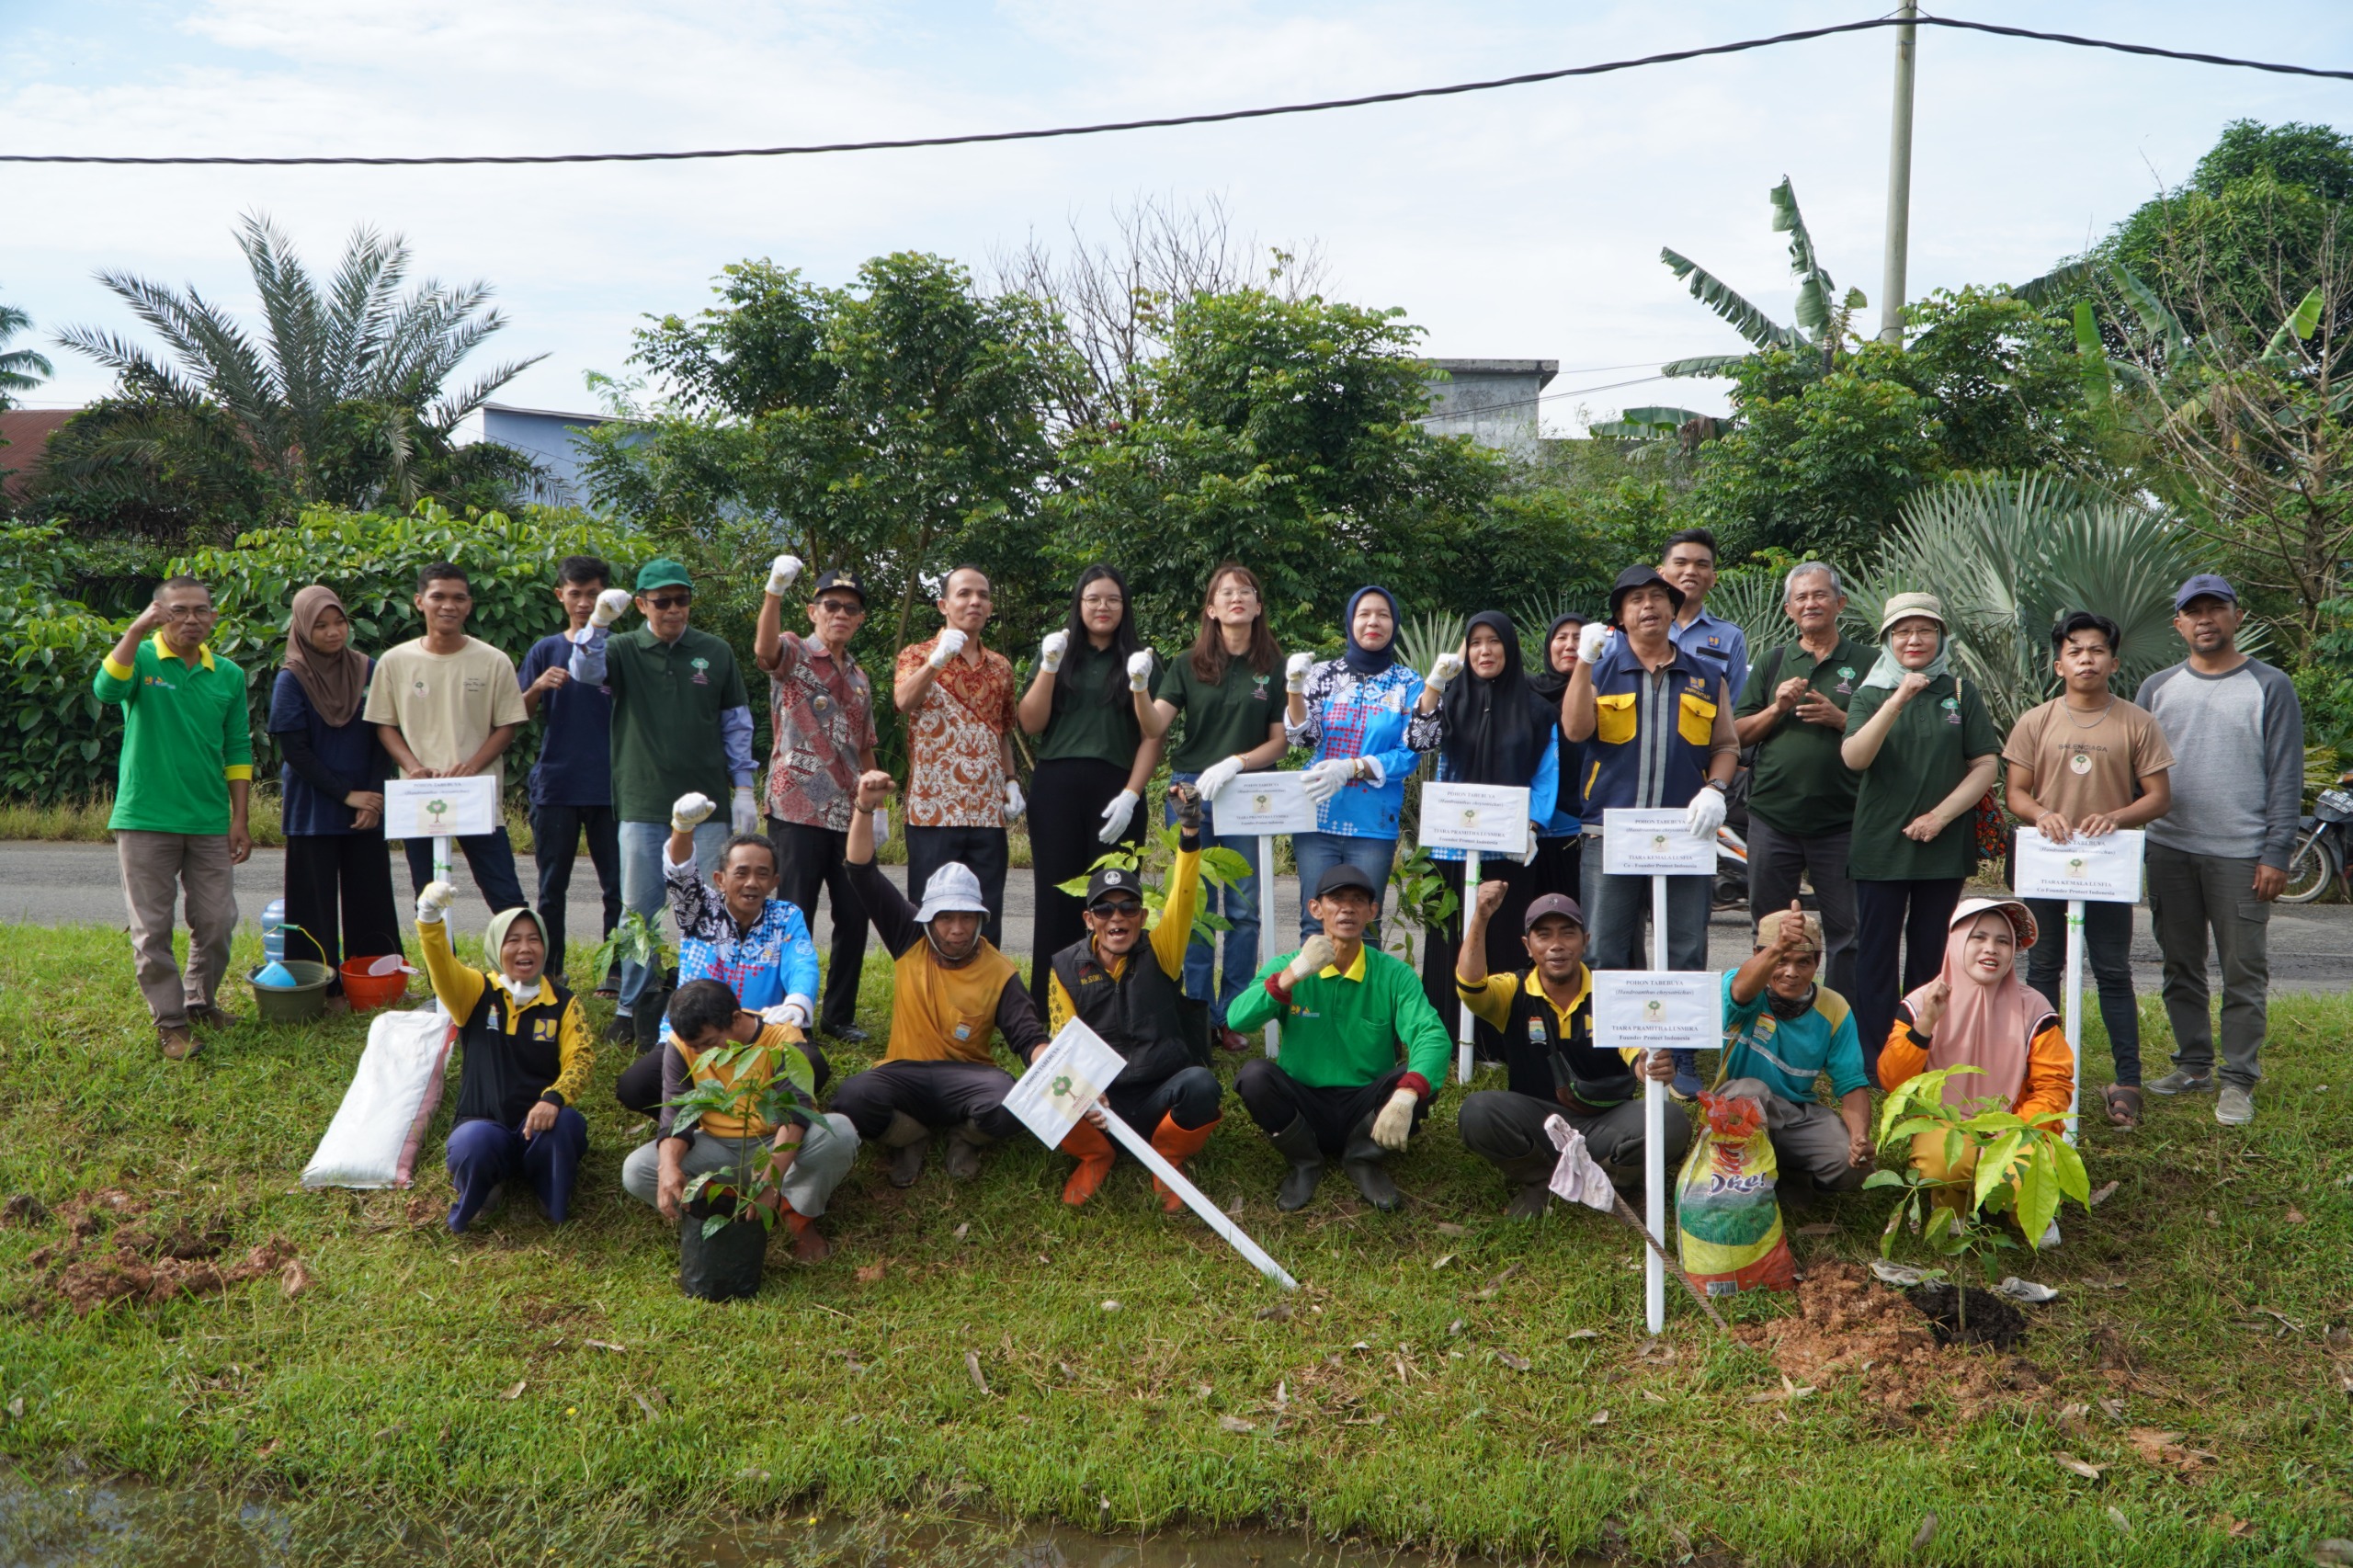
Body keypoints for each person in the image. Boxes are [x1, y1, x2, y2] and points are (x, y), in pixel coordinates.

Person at [1561, 565, 1738, 1101]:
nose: (1649, 607)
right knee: (1606, 947)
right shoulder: (1601, 669)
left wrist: (1716, 788)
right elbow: (1575, 729)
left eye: (1658, 597)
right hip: (1610, 831)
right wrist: (1585, 664)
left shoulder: (1707, 674)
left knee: (1684, 945)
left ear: (1673, 608)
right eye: (1636, 600)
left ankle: (1679, 1054)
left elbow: (1726, 744)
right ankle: (1615, 1058)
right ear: (1620, 615)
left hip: (1685, 834)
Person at [2137, 574, 2304, 1127]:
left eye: (2217, 609)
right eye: (2195, 611)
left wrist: (2276, 851)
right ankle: (2192, 1064)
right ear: (2179, 624)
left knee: (2243, 969)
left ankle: (2238, 1081)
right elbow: (2133, 771)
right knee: (2179, 963)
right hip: (2169, 848)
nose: (2205, 619)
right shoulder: (2157, 689)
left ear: (2237, 616)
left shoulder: (2269, 684)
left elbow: (2285, 774)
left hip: (2242, 854)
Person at [566, 558, 757, 1040]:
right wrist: (598, 624)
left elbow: (735, 722)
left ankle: (714, 1000)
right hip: (643, 800)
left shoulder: (714, 651)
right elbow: (584, 673)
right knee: (639, 911)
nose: (674, 610)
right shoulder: (624, 648)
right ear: (641, 604)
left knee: (713, 906)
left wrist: (744, 788)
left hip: (707, 803)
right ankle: (633, 1007)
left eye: (683, 599)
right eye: (663, 601)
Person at [829, 770, 1046, 1186]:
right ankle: (909, 1134)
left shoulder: (1000, 970)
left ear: (981, 920)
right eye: (946, 918)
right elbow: (861, 870)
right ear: (928, 920)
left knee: (1014, 1102)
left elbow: (1027, 1038)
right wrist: (864, 805)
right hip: (903, 1071)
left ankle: (967, 1136)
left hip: (968, 1079)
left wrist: (1054, 1069)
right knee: (851, 1098)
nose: (957, 929)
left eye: (967, 918)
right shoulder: (909, 935)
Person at [2003, 609, 2176, 1130]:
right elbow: (2016, 793)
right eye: (2075, 650)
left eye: (2096, 650)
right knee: (2041, 968)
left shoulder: (2137, 722)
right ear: (2059, 664)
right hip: (2047, 864)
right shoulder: (2037, 721)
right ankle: (2039, 1073)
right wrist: (2042, 814)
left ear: (2113, 661)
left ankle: (2127, 1082)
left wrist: (2116, 818)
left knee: (2113, 972)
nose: (2086, 658)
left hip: (2107, 864)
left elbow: (2160, 797)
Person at [1227, 862, 1453, 1212]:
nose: (1347, 907)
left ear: (1372, 912)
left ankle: (1363, 1158)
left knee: (1421, 1075)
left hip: (1366, 1103)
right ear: (1315, 908)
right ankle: (1305, 1161)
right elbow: (1237, 1018)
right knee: (1255, 1076)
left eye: (1358, 900)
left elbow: (1431, 1035)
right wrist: (1293, 975)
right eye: (1336, 899)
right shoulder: (1288, 965)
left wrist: (1408, 1093)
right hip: (1303, 1102)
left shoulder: (1394, 974)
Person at [1452, 883, 1688, 1217]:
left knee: (1671, 1120)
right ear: (1527, 946)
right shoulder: (1512, 990)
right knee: (1477, 1111)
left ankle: (1607, 1181)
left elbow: (1635, 1050)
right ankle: (1542, 1180)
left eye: (1568, 933)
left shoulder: (1611, 992)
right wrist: (1481, 916)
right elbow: (1470, 987)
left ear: (1586, 941)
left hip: (1604, 1122)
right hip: (1537, 1122)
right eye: (1544, 935)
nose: (1557, 946)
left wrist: (1647, 1066)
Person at [93, 574, 255, 1059]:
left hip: (208, 819)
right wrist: (137, 630)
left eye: (200, 610)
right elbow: (105, 689)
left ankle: (200, 1001)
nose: (190, 619)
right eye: (178, 610)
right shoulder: (140, 658)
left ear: (214, 616)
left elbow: (238, 747)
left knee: (217, 919)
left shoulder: (227, 674)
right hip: (144, 817)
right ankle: (170, 1022)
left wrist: (240, 817)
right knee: (152, 928)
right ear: (159, 612)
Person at [1838, 593, 2001, 1074]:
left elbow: (1985, 764)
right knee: (1876, 954)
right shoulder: (1869, 693)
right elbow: (1855, 758)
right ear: (1888, 640)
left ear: (1940, 638)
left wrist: (1940, 817)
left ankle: (1922, 1049)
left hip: (1942, 844)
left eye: (1925, 630)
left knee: (1933, 953)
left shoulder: (1959, 691)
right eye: (1902, 631)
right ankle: (1874, 1057)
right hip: (1880, 845)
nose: (1914, 639)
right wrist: (1899, 697)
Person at [1041, 784, 1223, 1209]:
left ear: (1143, 917)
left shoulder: (1163, 949)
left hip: (1163, 1096)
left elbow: (1183, 895)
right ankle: (1095, 1155)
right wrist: (1084, 1091)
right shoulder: (1064, 967)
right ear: (1089, 919)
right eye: (1104, 910)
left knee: (1201, 1085)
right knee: (1045, 1085)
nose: (1117, 917)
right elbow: (1061, 1043)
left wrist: (1191, 831)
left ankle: (1168, 1156)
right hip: (1102, 1105)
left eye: (1128, 908)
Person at [1135, 562, 1290, 1051]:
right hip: (1191, 794)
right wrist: (1139, 687)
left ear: (1258, 605)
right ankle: (1197, 1013)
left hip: (1247, 793)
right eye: (1226, 592)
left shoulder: (1276, 666)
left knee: (1244, 910)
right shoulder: (1187, 664)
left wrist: (1238, 762)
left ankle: (1233, 1017)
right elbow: (1154, 728)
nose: (1237, 597)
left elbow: (1280, 743)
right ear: (1212, 608)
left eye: (1246, 590)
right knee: (1195, 908)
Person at [613, 793, 826, 1119]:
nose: (751, 883)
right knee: (634, 1086)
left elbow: (803, 964)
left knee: (813, 1068)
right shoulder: (699, 910)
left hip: (759, 1035)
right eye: (741, 873)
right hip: (694, 1037)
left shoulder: (787, 916)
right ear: (720, 879)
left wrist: (797, 1002)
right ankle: (709, 1119)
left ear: (774, 882)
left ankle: (747, 1114)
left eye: (762, 874)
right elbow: (681, 873)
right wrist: (682, 827)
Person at [619, 977, 858, 1263]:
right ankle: (722, 1212)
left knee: (839, 1132)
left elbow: (792, 1118)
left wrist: (769, 1182)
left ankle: (796, 1216)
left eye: (709, 1043)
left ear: (735, 1019)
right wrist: (668, 1166)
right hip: (716, 1146)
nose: (701, 1055)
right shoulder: (681, 1045)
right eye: (693, 1047)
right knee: (638, 1170)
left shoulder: (783, 1038)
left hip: (775, 1144)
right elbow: (676, 1116)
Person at [1878, 899, 2073, 1237]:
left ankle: (2026, 1214)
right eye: (1978, 937)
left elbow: (2054, 1086)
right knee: (1943, 1160)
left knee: (2028, 1168)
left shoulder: (2034, 1008)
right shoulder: (1923, 1001)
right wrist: (1925, 1025)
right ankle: (1951, 1201)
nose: (1991, 949)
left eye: (2003, 941)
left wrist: (2013, 1131)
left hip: (2016, 1124)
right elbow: (1893, 1081)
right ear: (1956, 940)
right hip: (1947, 1124)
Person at [1411, 611, 1559, 1059]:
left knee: (1503, 935)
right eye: (1475, 642)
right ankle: (1444, 1038)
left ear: (1509, 648)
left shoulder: (1536, 708)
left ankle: (1499, 1043)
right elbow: (1420, 739)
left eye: (1494, 641)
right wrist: (1435, 686)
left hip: (1509, 846)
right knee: (1449, 936)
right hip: (1451, 843)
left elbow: (1546, 772)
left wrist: (1533, 824)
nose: (1485, 651)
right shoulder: (1451, 701)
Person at [413, 883, 592, 1234]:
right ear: (497, 946)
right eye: (513, 940)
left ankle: (548, 1190)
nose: (525, 948)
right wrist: (429, 919)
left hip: (540, 1127)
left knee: (568, 1125)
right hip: (483, 1123)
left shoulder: (564, 1002)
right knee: (472, 1144)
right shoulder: (475, 992)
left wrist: (553, 1100)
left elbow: (581, 1059)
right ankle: (484, 1187)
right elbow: (441, 966)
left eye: (533, 939)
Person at [1019, 564, 1162, 997]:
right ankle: (1052, 1004)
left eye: (1113, 599)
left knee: (1115, 900)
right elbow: (1029, 722)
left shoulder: (1142, 659)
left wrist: (1131, 796)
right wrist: (1048, 665)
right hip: (1056, 788)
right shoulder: (1058, 652)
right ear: (1078, 605)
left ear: (1125, 607)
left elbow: (1152, 737)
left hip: (1116, 789)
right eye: (1093, 599)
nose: (1103, 607)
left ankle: (1117, 1000)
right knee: (1057, 897)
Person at [756, 555, 880, 1043]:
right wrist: (774, 591)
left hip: (848, 812)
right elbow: (764, 652)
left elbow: (865, 742)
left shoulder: (860, 677)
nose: (841, 614)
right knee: (794, 913)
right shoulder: (794, 652)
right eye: (832, 605)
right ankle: (789, 1015)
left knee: (853, 915)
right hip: (797, 808)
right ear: (813, 610)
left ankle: (839, 1014)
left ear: (861, 618)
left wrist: (878, 805)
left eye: (851, 608)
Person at [1733, 562, 1870, 1001]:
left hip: (1844, 820)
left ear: (1840, 603)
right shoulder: (1773, 661)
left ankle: (1841, 1022)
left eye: (1821, 595)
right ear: (1789, 609)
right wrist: (1776, 708)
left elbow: (1890, 732)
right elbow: (1737, 736)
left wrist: (1840, 720)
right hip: (1773, 817)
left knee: (1848, 931)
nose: (1811, 603)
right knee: (1770, 926)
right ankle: (1770, 1013)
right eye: (1802, 598)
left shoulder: (1869, 662)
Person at [364, 562, 529, 915]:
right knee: (427, 898)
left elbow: (507, 726)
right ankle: (439, 971)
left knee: (505, 895)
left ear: (469, 605)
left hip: (477, 794)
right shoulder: (395, 661)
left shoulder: (494, 661)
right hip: (418, 794)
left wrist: (471, 766)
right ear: (420, 601)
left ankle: (520, 970)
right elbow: (384, 725)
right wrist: (413, 766)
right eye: (438, 597)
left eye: (458, 598)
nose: (448, 606)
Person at [269, 585, 399, 1011]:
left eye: (339, 621)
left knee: (372, 899)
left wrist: (373, 798)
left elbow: (386, 736)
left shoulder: (369, 670)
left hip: (367, 805)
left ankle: (376, 986)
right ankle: (320, 990)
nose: (332, 632)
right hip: (314, 808)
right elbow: (295, 751)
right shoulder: (292, 677)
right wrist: (348, 795)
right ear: (303, 629)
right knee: (312, 908)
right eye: (320, 625)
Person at [1284, 585, 1428, 942]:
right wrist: (1294, 689)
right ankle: (1311, 1000)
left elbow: (1410, 752)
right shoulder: (1321, 674)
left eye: (1383, 615)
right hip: (1316, 817)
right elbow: (1304, 738)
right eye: (1364, 614)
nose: (1373, 622)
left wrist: (1353, 766)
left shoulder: (1409, 683)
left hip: (1373, 824)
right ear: (1351, 621)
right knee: (1315, 924)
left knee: (1364, 927)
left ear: (1394, 624)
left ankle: (1364, 1000)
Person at [893, 565, 1023, 950]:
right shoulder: (916, 655)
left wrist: (1012, 781)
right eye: (964, 594)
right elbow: (903, 702)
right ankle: (927, 999)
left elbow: (1002, 730)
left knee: (987, 913)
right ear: (943, 604)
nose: (975, 602)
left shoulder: (1000, 666)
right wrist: (938, 659)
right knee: (930, 910)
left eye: (982, 595)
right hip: (933, 811)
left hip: (987, 813)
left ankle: (986, 1003)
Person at [1713, 903, 1875, 1204]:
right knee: (1750, 1091)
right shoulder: (1740, 984)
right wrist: (1778, 945)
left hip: (1793, 1115)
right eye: (1781, 960)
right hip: (1735, 1104)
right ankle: (1739, 1188)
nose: (1791, 973)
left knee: (1848, 1165)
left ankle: (1784, 1179)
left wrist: (1859, 1139)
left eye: (1803, 962)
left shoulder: (1835, 1007)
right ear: (1758, 954)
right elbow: (1741, 991)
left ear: (1817, 963)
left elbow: (1851, 1083)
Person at [517, 556, 623, 993]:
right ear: (560, 595)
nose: (584, 603)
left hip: (614, 788)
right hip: (557, 785)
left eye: (594, 594)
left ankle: (615, 975)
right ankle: (551, 972)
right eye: (575, 594)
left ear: (608, 599)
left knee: (618, 889)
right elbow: (515, 716)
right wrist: (538, 686)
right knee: (551, 889)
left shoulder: (621, 649)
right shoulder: (545, 650)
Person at [1524, 610, 1591, 903]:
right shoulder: (1526, 690)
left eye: (1579, 638)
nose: (1570, 644)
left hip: (1582, 827)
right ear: (1549, 644)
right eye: (1561, 637)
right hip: (1529, 829)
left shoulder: (1603, 691)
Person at [1661, 528, 1749, 706]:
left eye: (1701, 565)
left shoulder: (1730, 636)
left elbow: (1735, 706)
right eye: (1681, 563)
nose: (1691, 571)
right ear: (1661, 574)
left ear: (1713, 579)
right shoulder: (1637, 628)